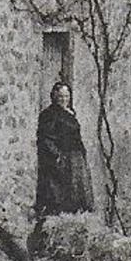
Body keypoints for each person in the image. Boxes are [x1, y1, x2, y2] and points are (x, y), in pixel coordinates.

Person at [35, 81, 94, 217]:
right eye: (61, 97)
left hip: (75, 158)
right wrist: (57, 156)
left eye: (67, 96)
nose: (64, 100)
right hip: (63, 160)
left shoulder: (70, 113)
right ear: (54, 97)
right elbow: (45, 138)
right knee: (62, 193)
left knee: (78, 192)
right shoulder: (49, 114)